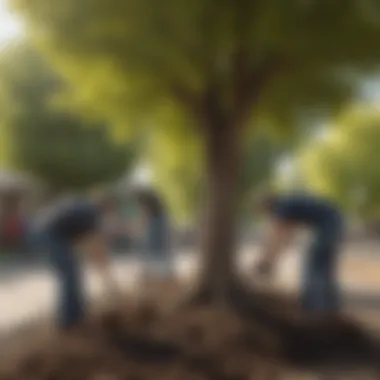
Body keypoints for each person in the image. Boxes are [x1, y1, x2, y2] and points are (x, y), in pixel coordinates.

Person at [35, 193, 119, 329]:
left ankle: (79, 313)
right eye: (111, 210)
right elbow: (96, 250)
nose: (109, 215)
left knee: (75, 271)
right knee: (69, 275)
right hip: (49, 234)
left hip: (52, 233)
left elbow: (87, 245)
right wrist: (109, 281)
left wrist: (103, 272)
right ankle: (68, 320)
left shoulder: (86, 210)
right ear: (107, 207)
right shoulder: (91, 214)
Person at [253, 191, 344, 315]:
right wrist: (271, 259)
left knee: (312, 264)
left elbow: (278, 237)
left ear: (268, 205)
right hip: (335, 223)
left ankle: (315, 307)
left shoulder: (282, 207)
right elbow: (287, 237)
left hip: (328, 227)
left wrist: (267, 261)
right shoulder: (288, 204)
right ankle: (330, 305)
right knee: (323, 265)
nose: (268, 215)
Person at [130, 188, 173, 284]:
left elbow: (141, 228)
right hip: (158, 251)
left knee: (153, 275)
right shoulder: (161, 217)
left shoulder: (156, 219)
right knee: (160, 275)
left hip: (155, 251)